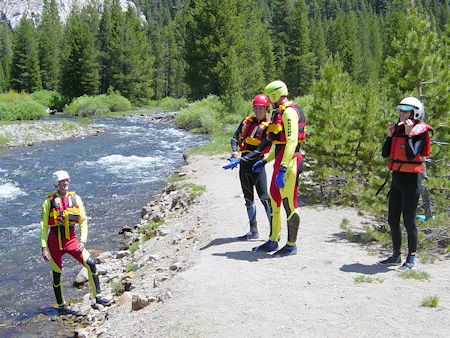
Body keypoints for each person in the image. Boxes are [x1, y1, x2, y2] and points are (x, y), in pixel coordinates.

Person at [40, 170, 112, 313]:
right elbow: (43, 226)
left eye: (67, 180)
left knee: (90, 264)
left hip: (71, 241)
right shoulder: (48, 202)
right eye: (62, 181)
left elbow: (83, 221)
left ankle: (98, 296)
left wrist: (83, 241)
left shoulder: (76, 199)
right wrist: (43, 247)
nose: (65, 183)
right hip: (54, 243)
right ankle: (61, 305)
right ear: (56, 184)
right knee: (57, 274)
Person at [251, 80, 307, 257]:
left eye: (270, 97)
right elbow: (279, 143)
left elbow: (292, 141)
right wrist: (266, 160)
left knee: (289, 204)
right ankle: (273, 240)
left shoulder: (289, 112)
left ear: (276, 95)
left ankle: (291, 245)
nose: (268, 101)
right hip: (281, 161)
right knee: (273, 201)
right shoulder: (279, 112)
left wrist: (283, 167)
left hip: (289, 163)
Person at [378, 97, 432, 270]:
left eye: (405, 111)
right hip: (397, 181)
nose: (401, 113)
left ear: (415, 112)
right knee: (392, 219)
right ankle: (395, 255)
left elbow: (411, 155)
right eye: (400, 110)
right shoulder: (398, 130)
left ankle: (411, 258)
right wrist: (389, 136)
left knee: (409, 221)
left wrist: (409, 134)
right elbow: (385, 153)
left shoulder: (420, 132)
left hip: (411, 183)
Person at [223, 94, 272, 240]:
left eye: (261, 108)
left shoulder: (269, 127)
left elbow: (260, 149)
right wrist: (235, 152)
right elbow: (234, 138)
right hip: (243, 165)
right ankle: (253, 231)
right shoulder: (246, 121)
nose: (257, 111)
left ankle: (273, 232)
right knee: (248, 199)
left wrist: (241, 160)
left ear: (266, 109)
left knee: (264, 198)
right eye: (256, 108)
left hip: (257, 165)